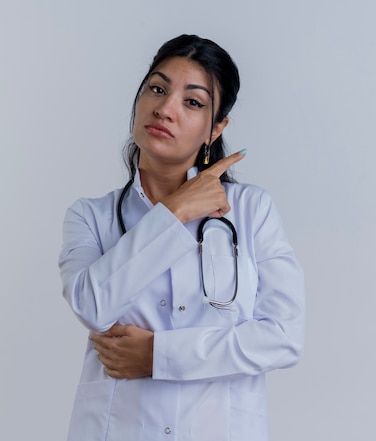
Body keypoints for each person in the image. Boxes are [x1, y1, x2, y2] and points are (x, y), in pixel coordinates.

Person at [58, 34, 305, 441]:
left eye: (193, 102)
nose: (165, 108)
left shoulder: (251, 212)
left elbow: (282, 338)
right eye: (157, 88)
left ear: (217, 127)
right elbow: (91, 304)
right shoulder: (90, 217)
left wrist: (158, 356)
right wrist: (176, 212)